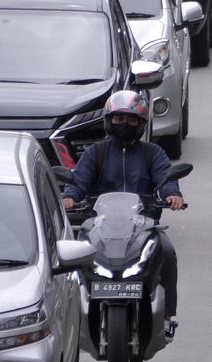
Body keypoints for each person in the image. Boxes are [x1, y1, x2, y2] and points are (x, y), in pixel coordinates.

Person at [62, 91, 183, 334]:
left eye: (131, 120)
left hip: (143, 227)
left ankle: (167, 316)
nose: (124, 125)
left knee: (167, 253)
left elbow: (165, 178)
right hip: (100, 227)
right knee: (72, 260)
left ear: (141, 124)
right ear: (109, 121)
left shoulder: (153, 153)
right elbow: (78, 181)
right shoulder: (95, 153)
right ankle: (73, 316)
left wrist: (172, 194)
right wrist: (70, 197)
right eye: (118, 119)